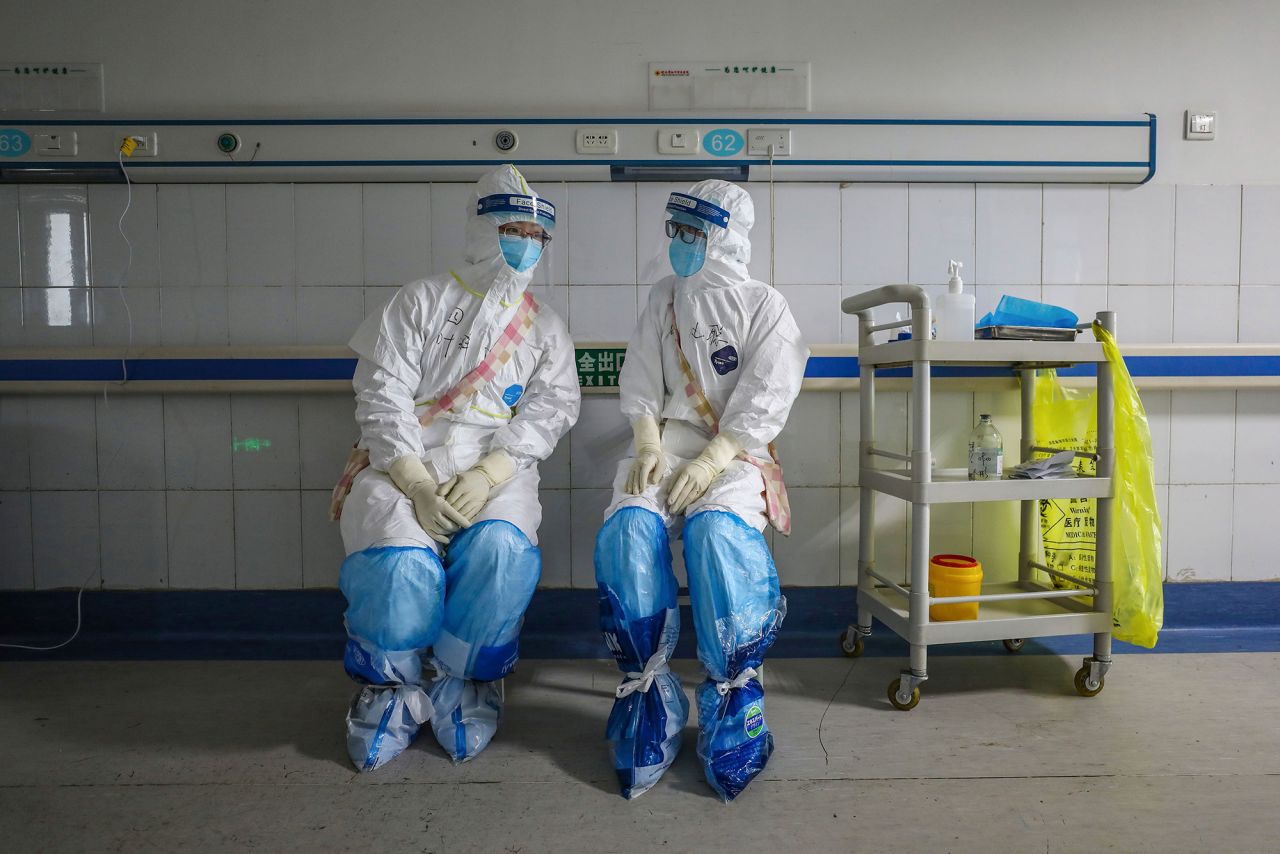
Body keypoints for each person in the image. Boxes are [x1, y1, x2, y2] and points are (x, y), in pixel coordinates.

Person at [330, 164, 580, 772]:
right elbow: (381, 393)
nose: (525, 244)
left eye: (537, 235)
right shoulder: (418, 301)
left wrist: (493, 472)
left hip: (497, 464)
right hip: (403, 456)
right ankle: (391, 688)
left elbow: (553, 407)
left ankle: (467, 682)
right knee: (398, 562)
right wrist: (413, 479)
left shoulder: (545, 325)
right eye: (513, 229)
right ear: (483, 228)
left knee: (501, 551)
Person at [595, 180, 808, 801]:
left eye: (694, 233)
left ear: (724, 237)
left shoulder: (766, 306)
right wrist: (648, 442)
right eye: (676, 230)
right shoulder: (664, 298)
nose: (680, 244)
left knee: (718, 536)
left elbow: (767, 396)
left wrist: (714, 458)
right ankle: (647, 696)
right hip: (667, 443)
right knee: (630, 528)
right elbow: (638, 375)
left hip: (735, 453)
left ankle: (734, 700)